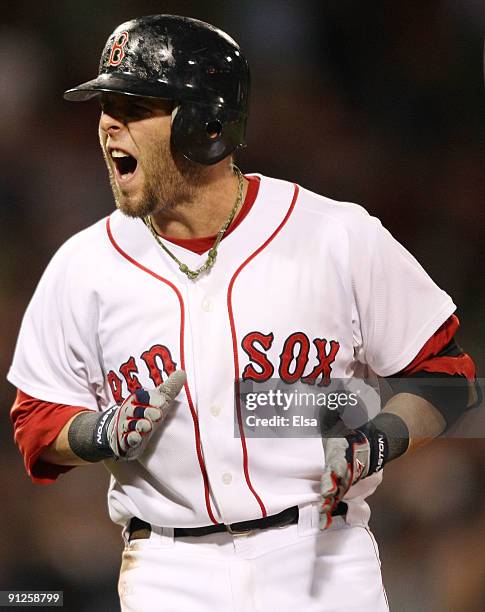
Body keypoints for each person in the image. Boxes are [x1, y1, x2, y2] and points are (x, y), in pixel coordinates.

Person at [8, 14, 478, 612]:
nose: (107, 124)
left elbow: (446, 376)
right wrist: (100, 432)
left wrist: (375, 442)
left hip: (322, 559)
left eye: (134, 105)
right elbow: (36, 423)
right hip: (166, 570)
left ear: (206, 124)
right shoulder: (82, 265)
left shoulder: (336, 235)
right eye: (106, 104)